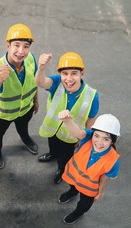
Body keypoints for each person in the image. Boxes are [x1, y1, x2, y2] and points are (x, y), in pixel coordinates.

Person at [35, 52, 99, 184]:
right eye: (65, 73)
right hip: (53, 129)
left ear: (82, 73)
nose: (68, 79)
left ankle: (61, 169)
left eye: (74, 73)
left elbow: (91, 120)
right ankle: (52, 154)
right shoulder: (57, 82)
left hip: (70, 137)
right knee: (52, 145)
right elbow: (40, 82)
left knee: (65, 157)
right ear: (60, 74)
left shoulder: (92, 95)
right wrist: (41, 68)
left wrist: (85, 138)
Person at [0, 23, 39, 169]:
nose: (21, 51)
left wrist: (35, 100)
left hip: (25, 109)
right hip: (3, 113)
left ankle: (26, 139)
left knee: (23, 127)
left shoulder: (31, 59)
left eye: (26, 46)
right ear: (8, 45)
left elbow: (33, 81)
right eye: (16, 45)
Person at [58, 111, 120, 224]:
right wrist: (67, 121)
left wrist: (100, 192)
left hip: (89, 189)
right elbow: (77, 132)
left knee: (84, 204)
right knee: (73, 187)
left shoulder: (113, 160)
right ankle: (72, 193)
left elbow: (104, 179)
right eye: (97, 136)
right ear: (92, 133)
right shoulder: (87, 138)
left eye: (106, 139)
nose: (99, 142)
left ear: (112, 141)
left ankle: (77, 213)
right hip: (74, 178)